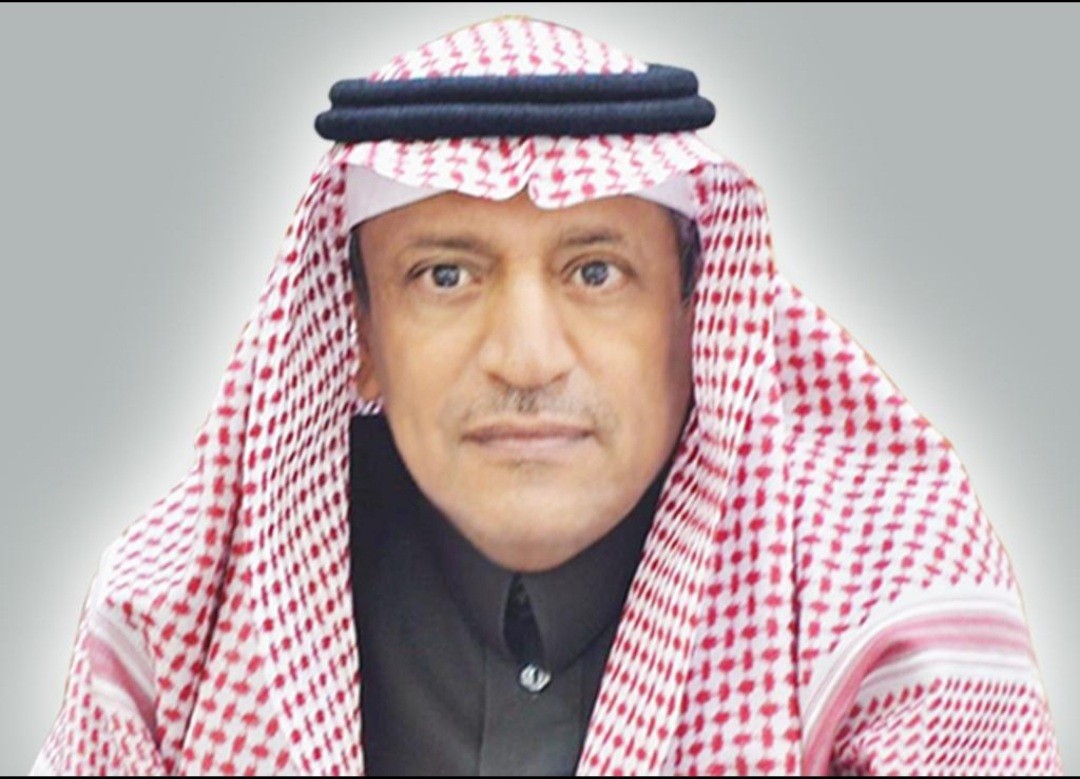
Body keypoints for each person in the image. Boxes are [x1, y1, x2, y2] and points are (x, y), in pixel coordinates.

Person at [29, 14, 1062, 776]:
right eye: (446, 274)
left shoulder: (890, 604)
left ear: (696, 316)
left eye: (596, 271)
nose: (526, 359)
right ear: (361, 340)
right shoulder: (177, 615)